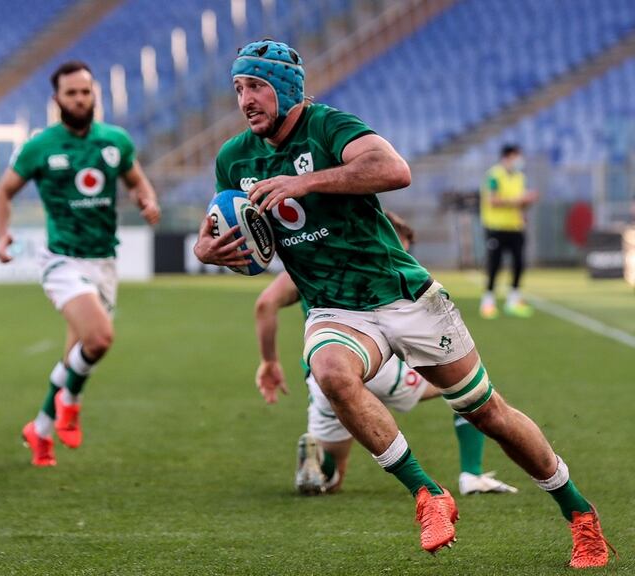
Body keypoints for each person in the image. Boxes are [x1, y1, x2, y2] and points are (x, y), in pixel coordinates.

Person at [194, 39, 612, 567]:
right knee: (330, 372)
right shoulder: (235, 159)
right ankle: (427, 494)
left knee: (487, 413)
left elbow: (394, 169)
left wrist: (306, 182)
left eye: (256, 85)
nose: (246, 99)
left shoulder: (328, 126)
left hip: (401, 293)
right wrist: (206, 248)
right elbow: (218, 228)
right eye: (238, 88)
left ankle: (579, 515)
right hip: (334, 308)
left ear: (286, 87)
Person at [254, 211, 516, 496]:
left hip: (323, 375)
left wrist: (269, 361)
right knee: (466, 388)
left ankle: (318, 460)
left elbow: (264, 304)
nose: (399, 256)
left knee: (334, 477)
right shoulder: (380, 266)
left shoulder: (309, 265)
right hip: (375, 365)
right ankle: (472, 475)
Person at [0, 60, 160, 467]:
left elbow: (136, 180)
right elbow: (3, 194)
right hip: (62, 260)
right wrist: (1, 235)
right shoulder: (39, 146)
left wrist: (147, 199)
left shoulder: (115, 141)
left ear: (94, 96)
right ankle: (70, 404)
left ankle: (41, 431)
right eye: (71, 93)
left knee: (77, 354)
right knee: (99, 339)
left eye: (86, 92)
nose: (80, 99)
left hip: (104, 262)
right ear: (56, 100)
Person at [479, 144, 538, 319]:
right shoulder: (493, 176)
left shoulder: (520, 177)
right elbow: (493, 201)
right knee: (494, 264)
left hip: (515, 227)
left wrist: (527, 203)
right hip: (496, 227)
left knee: (519, 263)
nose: (519, 161)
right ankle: (488, 301)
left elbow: (519, 203)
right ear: (507, 157)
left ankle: (513, 300)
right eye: (516, 157)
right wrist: (519, 199)